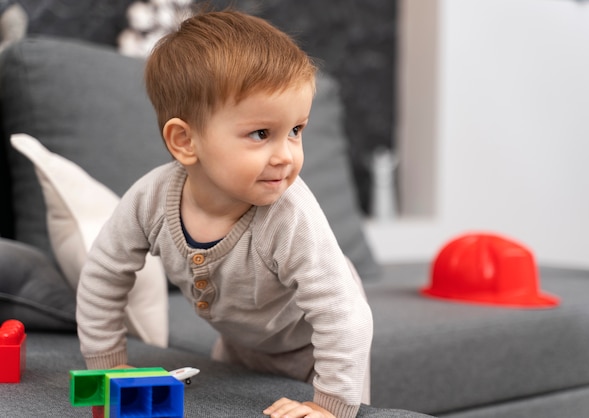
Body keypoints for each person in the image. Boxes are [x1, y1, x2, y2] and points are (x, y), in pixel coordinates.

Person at [76, 8, 373, 418]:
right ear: (185, 141)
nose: (286, 155)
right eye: (261, 134)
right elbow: (103, 274)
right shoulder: (150, 199)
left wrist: (332, 407)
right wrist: (109, 363)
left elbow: (344, 316)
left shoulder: (289, 216)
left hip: (316, 352)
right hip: (239, 344)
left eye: (296, 131)